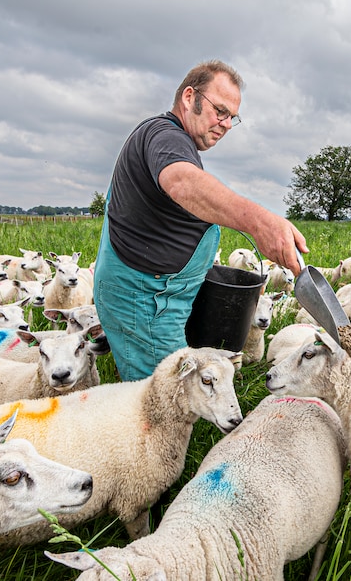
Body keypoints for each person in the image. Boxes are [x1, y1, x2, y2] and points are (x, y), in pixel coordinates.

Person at [93, 60, 308, 381]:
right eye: (219, 111)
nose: (225, 124)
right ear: (189, 97)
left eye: (232, 117)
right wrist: (259, 222)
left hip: (156, 295)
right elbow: (183, 182)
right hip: (146, 301)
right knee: (165, 400)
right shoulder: (166, 137)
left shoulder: (165, 139)